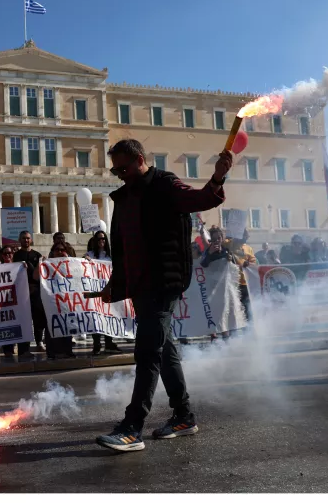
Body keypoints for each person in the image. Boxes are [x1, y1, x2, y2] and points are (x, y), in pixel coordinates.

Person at [95, 138, 231, 452]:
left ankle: (132, 428)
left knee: (147, 352)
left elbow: (202, 199)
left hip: (163, 282)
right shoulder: (127, 196)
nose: (121, 174)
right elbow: (124, 249)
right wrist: (116, 283)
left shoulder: (164, 184)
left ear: (140, 159)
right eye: (116, 171)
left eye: (125, 168)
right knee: (164, 349)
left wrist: (218, 177)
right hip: (141, 285)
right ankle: (184, 416)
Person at [85, 231, 122, 355]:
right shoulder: (89, 255)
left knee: (108, 316)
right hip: (95, 291)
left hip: (108, 289)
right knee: (96, 317)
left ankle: (109, 342)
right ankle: (97, 344)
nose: (102, 241)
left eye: (104, 239)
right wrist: (86, 261)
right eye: (99, 239)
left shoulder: (110, 256)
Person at [14, 231, 48, 355]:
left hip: (36, 291)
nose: (26, 240)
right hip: (22, 292)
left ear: (31, 240)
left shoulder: (37, 255)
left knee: (39, 317)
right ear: (19, 240)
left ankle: (39, 341)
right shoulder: (16, 255)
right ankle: (24, 347)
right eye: (23, 238)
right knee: (24, 319)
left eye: (28, 238)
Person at [223, 229, 256, 322]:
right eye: (245, 235)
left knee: (247, 305)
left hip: (245, 282)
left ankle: (249, 327)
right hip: (233, 281)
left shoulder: (249, 248)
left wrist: (248, 264)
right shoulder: (230, 244)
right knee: (234, 306)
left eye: (247, 236)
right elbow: (221, 242)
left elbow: (254, 263)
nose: (247, 237)